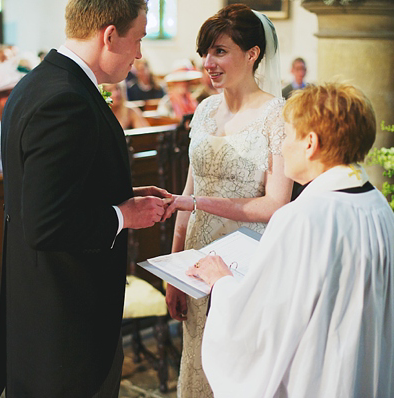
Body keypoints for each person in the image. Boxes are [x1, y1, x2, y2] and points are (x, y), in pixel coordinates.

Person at [188, 83, 394, 397]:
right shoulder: (379, 207)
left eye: (286, 135)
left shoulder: (303, 217)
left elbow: (261, 320)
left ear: (310, 143)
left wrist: (221, 282)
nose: (280, 145)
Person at [0, 1, 172, 396]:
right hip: (64, 318)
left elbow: (56, 189)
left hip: (41, 305)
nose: (140, 53)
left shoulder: (39, 83)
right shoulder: (66, 100)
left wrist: (122, 196)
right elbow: (46, 224)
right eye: (138, 39)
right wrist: (123, 216)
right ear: (110, 35)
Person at [162, 5, 293, 397]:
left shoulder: (277, 115)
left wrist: (199, 203)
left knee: (235, 367)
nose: (208, 63)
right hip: (196, 256)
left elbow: (275, 205)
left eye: (220, 51)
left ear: (252, 54)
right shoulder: (203, 110)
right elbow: (187, 193)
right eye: (205, 52)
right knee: (198, 360)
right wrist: (174, 273)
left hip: (245, 265)